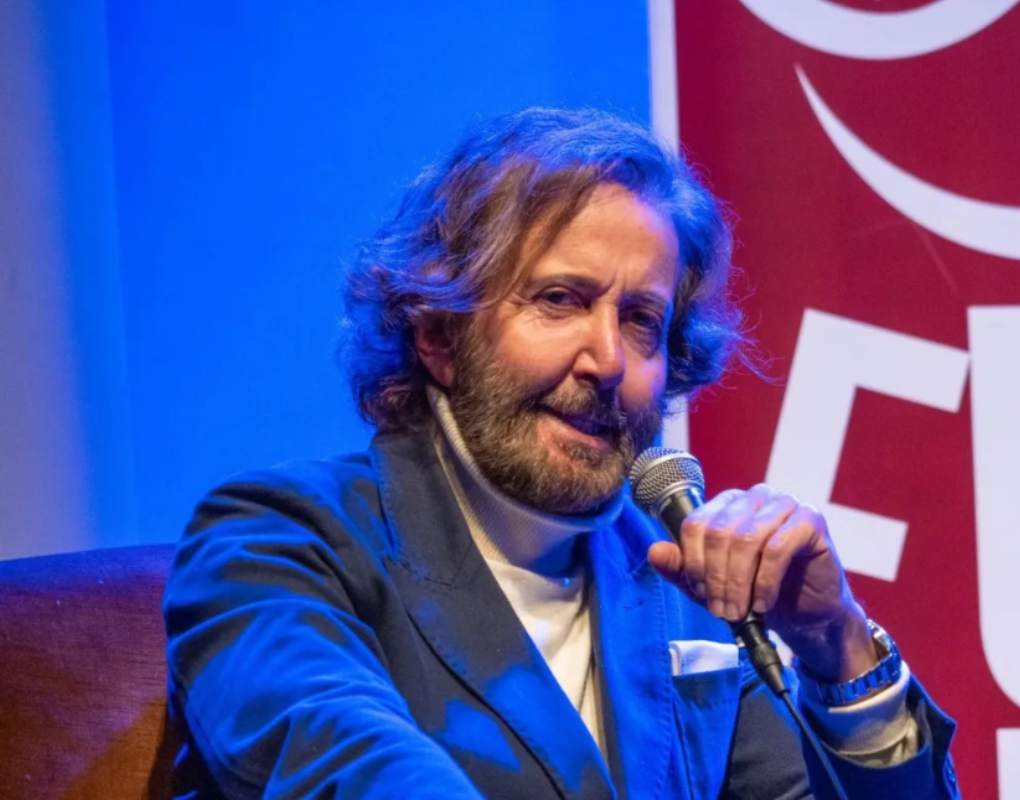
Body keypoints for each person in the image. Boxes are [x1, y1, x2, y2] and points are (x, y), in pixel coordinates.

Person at [163, 107, 959, 798]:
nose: (607, 360)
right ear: (438, 334)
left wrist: (835, 645)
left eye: (641, 321)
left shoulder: (678, 585)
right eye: (559, 300)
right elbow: (351, 769)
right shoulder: (275, 544)